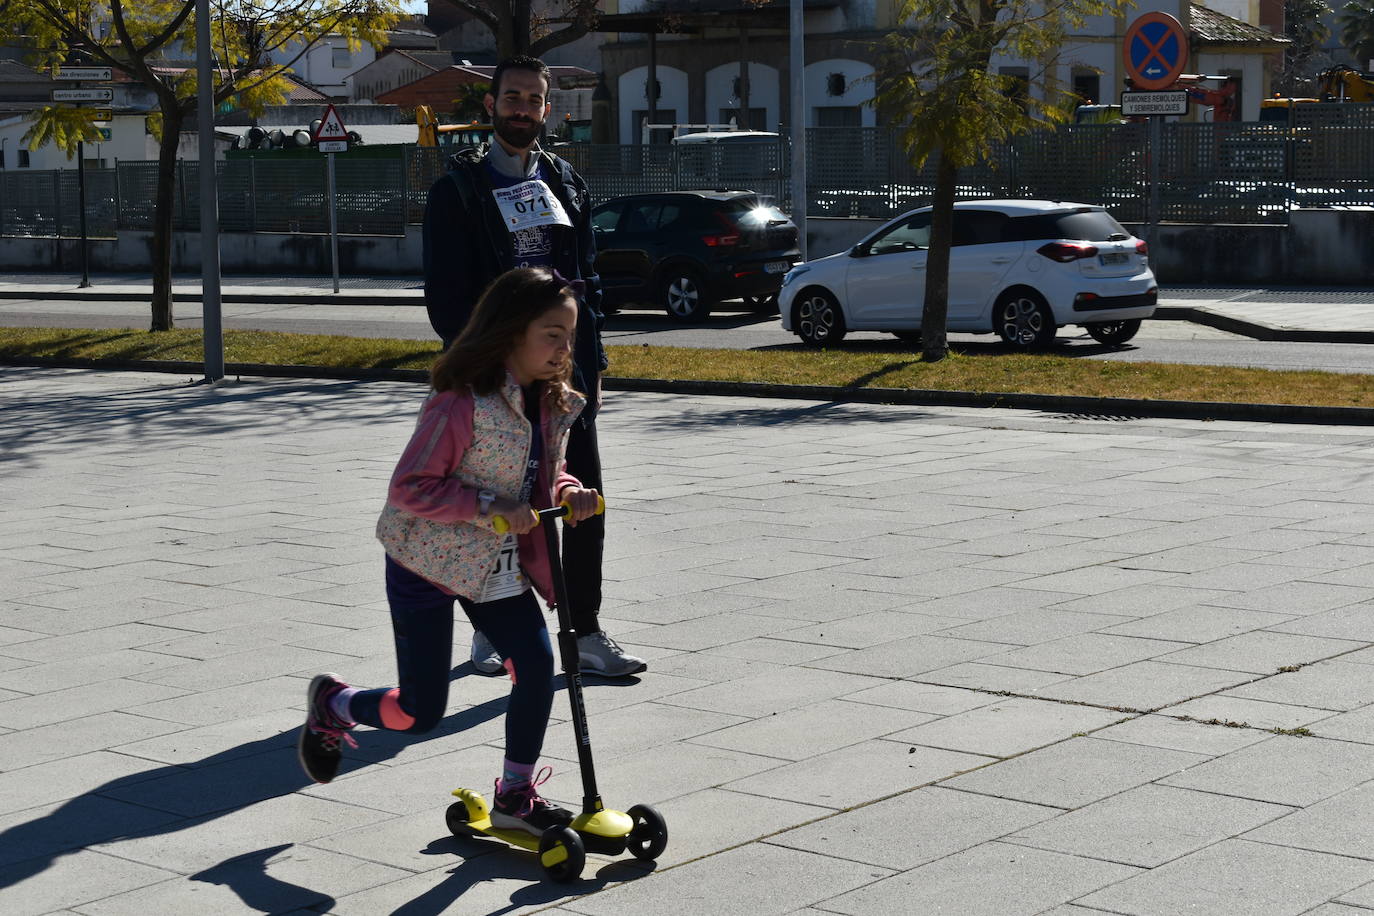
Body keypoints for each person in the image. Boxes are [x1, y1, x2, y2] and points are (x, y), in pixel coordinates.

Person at [297, 267, 601, 836]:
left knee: (536, 666)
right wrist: (488, 503)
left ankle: (514, 795)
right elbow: (410, 488)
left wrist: (569, 491)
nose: (565, 348)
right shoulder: (461, 403)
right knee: (419, 712)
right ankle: (336, 704)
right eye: (551, 334)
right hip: (427, 562)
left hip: (493, 567)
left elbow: (543, 471)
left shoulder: (548, 401)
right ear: (511, 331)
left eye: (570, 334)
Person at [423, 54, 644, 677]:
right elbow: (446, 299)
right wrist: (490, 371)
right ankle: (494, 629)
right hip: (497, 378)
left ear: (549, 109)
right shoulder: (460, 190)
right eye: (511, 97)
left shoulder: (567, 183)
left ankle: (585, 632)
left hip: (566, 377)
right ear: (490, 106)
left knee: (583, 501)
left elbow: (589, 282)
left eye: (533, 99)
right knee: (496, 507)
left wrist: (591, 363)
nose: (522, 108)